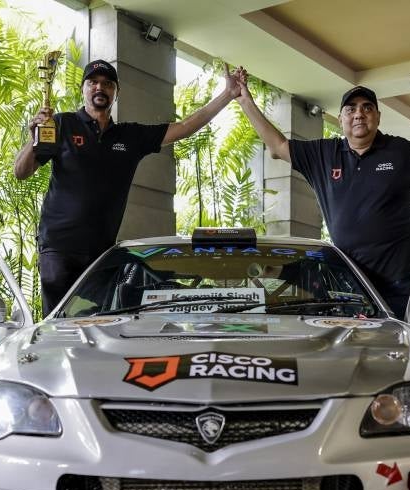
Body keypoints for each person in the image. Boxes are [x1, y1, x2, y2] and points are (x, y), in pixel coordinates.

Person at [15, 60, 242, 316]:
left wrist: (228, 95)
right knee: (54, 320)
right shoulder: (62, 124)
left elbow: (183, 129)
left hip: (102, 253)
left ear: (116, 92)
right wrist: (33, 137)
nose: (100, 87)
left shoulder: (129, 136)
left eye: (108, 84)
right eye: (93, 82)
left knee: (108, 320)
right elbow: (21, 172)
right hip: (58, 246)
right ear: (84, 89)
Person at [233, 70, 410, 318]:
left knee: (396, 353)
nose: (359, 113)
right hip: (346, 284)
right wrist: (245, 100)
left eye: (367, 108)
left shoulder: (401, 151)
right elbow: (277, 146)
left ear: (378, 117)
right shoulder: (324, 154)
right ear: (340, 119)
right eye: (351, 109)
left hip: (399, 285)